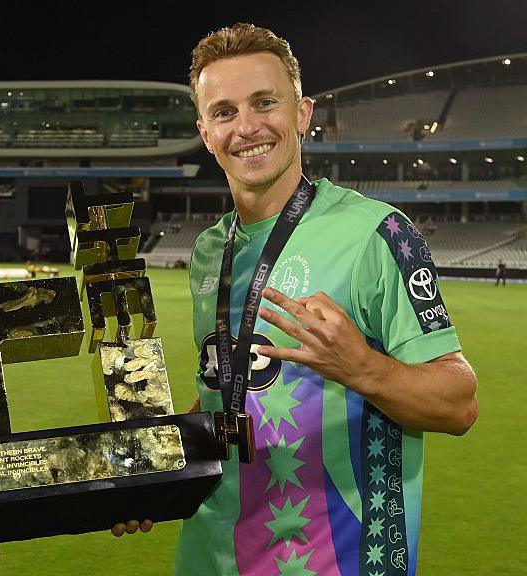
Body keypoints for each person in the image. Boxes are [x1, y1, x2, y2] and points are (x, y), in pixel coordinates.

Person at [174, 23, 478, 575]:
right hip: (209, 558)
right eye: (224, 112)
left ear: (302, 114)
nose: (246, 127)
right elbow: (227, 393)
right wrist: (149, 468)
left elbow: (460, 404)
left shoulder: (377, 234)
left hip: (329, 561)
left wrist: (363, 368)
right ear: (206, 132)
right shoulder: (208, 250)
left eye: (265, 102)